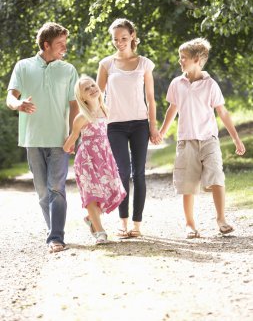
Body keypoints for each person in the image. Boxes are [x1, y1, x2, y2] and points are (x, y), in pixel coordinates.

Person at [159, 37, 246, 238]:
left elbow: (223, 113)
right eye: (180, 57)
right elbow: (172, 109)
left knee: (216, 176)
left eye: (183, 58)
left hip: (209, 139)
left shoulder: (211, 85)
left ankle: (221, 219)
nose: (180, 61)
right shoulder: (176, 83)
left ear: (197, 59)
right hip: (186, 140)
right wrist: (162, 132)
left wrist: (236, 139)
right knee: (188, 183)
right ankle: (190, 224)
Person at [6, 22, 79, 253]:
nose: (64, 49)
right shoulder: (23, 66)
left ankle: (56, 237)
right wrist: (19, 104)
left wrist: (72, 135)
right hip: (32, 139)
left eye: (65, 44)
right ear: (46, 44)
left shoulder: (68, 70)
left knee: (56, 188)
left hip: (59, 139)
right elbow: (10, 97)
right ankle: (53, 232)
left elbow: (74, 105)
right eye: (60, 44)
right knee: (42, 192)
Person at [97, 18, 161, 238]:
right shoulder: (106, 64)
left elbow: (151, 99)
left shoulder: (144, 63)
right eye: (115, 39)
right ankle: (122, 223)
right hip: (114, 125)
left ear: (132, 36)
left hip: (140, 125)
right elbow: (96, 97)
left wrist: (153, 127)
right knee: (122, 173)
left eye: (123, 38)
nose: (119, 42)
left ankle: (137, 225)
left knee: (139, 174)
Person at [63, 75, 126, 244]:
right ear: (81, 97)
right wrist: (68, 146)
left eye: (93, 85)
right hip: (87, 160)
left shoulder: (105, 110)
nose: (92, 88)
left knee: (104, 190)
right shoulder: (82, 117)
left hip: (104, 157)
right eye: (86, 88)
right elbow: (72, 139)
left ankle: (91, 219)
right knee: (91, 193)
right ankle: (100, 232)